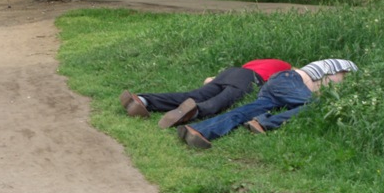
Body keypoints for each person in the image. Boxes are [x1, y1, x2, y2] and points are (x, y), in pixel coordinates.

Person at [176, 59, 358, 149]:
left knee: (244, 111)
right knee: (318, 106)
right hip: (289, 81)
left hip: (275, 83)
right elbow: (331, 93)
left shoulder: (327, 66)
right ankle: (264, 122)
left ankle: (199, 130)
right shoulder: (351, 69)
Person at [120, 59, 292, 129]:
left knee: (192, 95)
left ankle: (144, 100)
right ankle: (193, 112)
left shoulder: (258, 61)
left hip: (230, 72)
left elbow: (209, 80)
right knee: (221, 101)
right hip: (250, 78)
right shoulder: (287, 68)